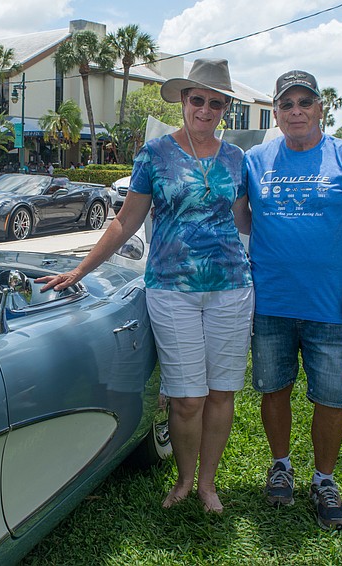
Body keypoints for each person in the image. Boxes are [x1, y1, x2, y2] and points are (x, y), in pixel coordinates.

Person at [38, 59, 253, 513]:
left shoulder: (237, 158)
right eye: (198, 99)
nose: (206, 110)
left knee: (221, 393)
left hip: (232, 286)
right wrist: (82, 269)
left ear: (225, 109)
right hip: (171, 289)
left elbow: (244, 221)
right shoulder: (155, 154)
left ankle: (209, 485)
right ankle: (184, 478)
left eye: (217, 103)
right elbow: (125, 220)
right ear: (182, 99)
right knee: (187, 396)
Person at [242, 70, 342, 530]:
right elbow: (238, 213)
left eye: (306, 102)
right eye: (287, 104)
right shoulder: (255, 159)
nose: (297, 111)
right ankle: (280, 466)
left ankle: (325, 480)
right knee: (273, 388)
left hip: (330, 305)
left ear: (321, 108)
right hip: (271, 303)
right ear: (277, 112)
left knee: (331, 397)